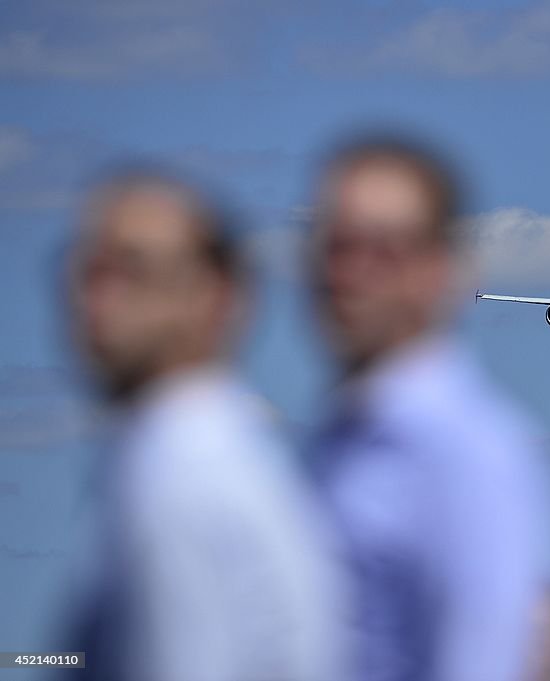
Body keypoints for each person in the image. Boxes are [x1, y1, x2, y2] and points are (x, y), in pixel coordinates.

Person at [66, 166, 345, 681]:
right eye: (86, 272)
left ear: (217, 295)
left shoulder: (182, 484)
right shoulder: (225, 462)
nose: (95, 303)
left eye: (134, 271)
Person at [309, 134, 550, 681]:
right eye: (335, 246)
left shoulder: (468, 456)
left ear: (443, 268)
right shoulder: (335, 441)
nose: (349, 274)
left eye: (385, 250)